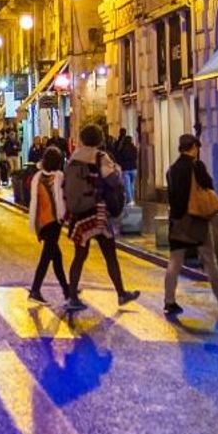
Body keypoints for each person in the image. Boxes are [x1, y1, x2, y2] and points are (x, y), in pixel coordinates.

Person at [62, 125, 140, 311]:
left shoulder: (73, 158)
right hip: (98, 213)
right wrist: (117, 171)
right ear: (99, 140)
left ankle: (72, 296)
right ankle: (121, 293)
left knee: (79, 256)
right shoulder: (100, 157)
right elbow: (113, 180)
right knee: (110, 255)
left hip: (79, 215)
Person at [163, 134, 218, 315]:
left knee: (174, 261)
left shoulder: (172, 169)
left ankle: (169, 301)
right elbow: (208, 184)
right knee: (209, 259)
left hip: (177, 221)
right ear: (193, 147)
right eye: (197, 147)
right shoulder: (196, 166)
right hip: (196, 220)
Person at [26, 146, 72, 304]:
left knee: (56, 256)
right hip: (54, 221)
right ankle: (35, 290)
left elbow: (33, 200)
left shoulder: (37, 177)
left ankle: (66, 290)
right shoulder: (59, 177)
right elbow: (63, 198)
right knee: (46, 257)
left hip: (41, 222)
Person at [114, 128, 139, 205]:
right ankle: (132, 199)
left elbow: (119, 156)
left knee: (127, 185)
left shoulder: (122, 148)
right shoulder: (134, 148)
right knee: (132, 184)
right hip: (134, 168)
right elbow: (136, 157)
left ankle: (130, 200)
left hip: (126, 169)